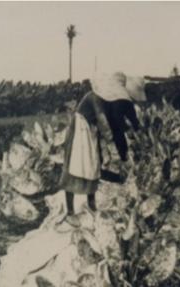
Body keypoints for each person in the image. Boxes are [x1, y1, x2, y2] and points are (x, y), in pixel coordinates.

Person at [58, 72, 146, 223]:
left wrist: (125, 149)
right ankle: (70, 211)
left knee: (93, 166)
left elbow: (117, 125)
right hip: (80, 129)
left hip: (90, 130)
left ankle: (92, 205)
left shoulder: (107, 101)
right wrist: (112, 140)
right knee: (74, 167)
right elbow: (103, 121)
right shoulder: (94, 97)